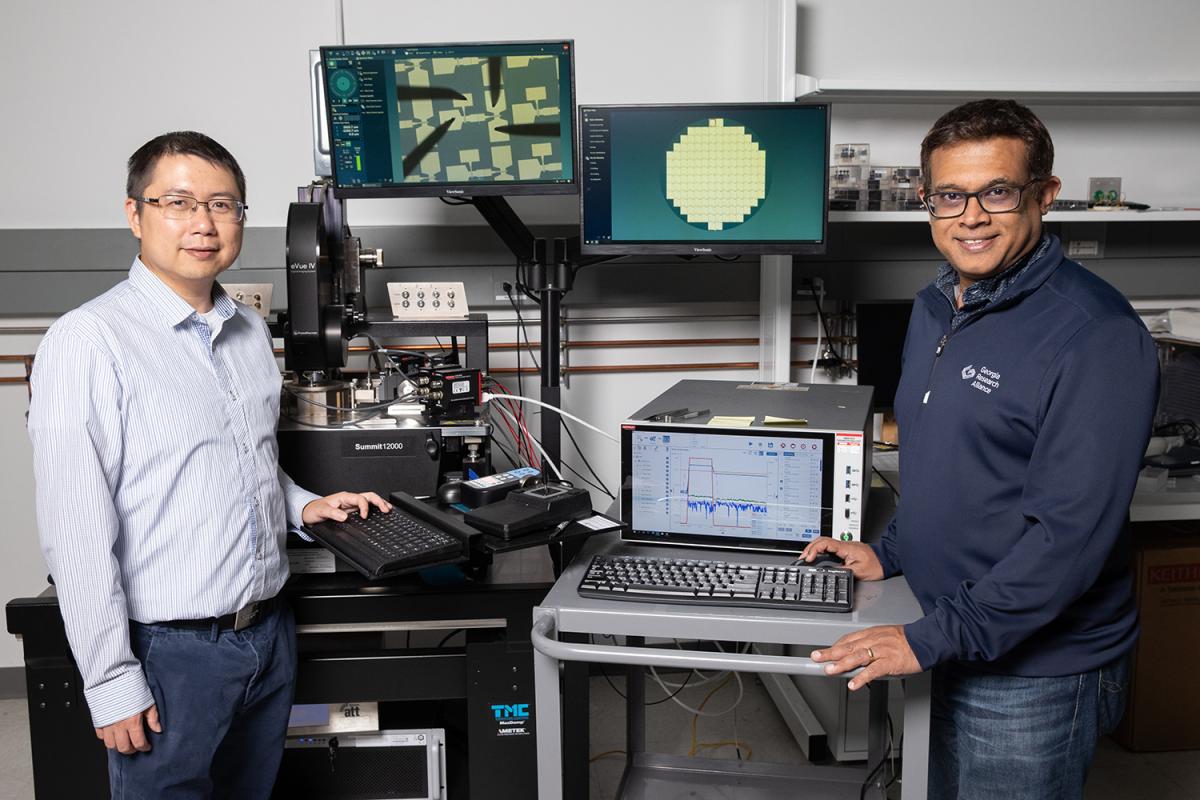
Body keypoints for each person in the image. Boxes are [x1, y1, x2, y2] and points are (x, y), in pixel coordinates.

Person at [801, 99, 1159, 799]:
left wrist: (929, 639)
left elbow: (1068, 539)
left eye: (996, 191)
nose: (970, 216)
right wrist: (893, 549)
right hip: (952, 630)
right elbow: (947, 464)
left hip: (1035, 673)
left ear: (1044, 195)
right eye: (949, 196)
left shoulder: (1097, 336)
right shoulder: (938, 305)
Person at [28, 131, 392, 799]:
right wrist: (110, 681)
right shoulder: (87, 342)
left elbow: (243, 457)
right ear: (135, 214)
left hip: (267, 635)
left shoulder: (247, 331)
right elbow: (75, 530)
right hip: (170, 652)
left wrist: (303, 506)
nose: (203, 223)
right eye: (178, 202)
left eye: (224, 205)